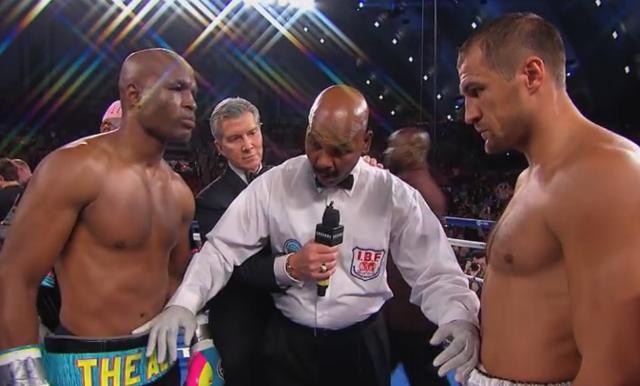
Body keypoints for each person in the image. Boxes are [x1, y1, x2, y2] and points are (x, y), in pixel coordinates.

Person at [137, 84, 480, 386]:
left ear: (366, 143)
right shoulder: (275, 184)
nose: (323, 160)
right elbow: (222, 250)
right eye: (315, 144)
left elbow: (434, 271)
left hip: (361, 344)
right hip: (289, 343)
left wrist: (458, 316)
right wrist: (184, 302)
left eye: (339, 150)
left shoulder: (393, 194)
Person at [457, 12, 640, 385]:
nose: (469, 114)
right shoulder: (531, 177)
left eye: (477, 91)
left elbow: (615, 368)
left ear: (532, 75)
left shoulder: (605, 174)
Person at [0, 48, 197, 385]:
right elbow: (16, 277)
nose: (191, 101)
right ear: (134, 94)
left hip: (156, 364)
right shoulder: (74, 168)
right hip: (83, 365)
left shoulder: (179, 192)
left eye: (192, 91)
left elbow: (174, 282)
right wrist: (23, 375)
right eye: (176, 88)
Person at [195, 97, 279, 386]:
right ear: (219, 147)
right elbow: (242, 269)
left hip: (287, 319)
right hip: (241, 321)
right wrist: (294, 267)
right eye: (235, 138)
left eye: (252, 132)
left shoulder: (287, 181)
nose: (248, 145)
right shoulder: (210, 200)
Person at [382, 127, 449, 386]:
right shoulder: (413, 186)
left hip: (409, 314)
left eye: (393, 145)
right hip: (405, 312)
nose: (388, 151)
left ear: (411, 151)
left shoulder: (414, 192)